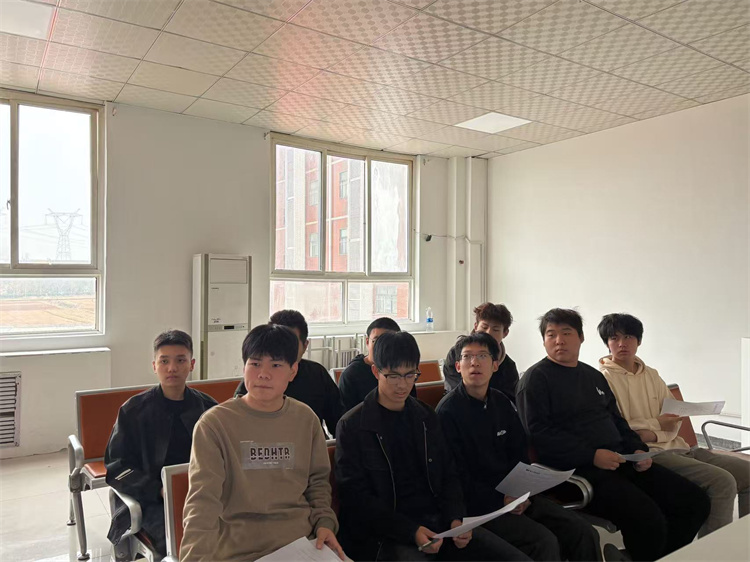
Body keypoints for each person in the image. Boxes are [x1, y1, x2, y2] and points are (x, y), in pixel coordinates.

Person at [516, 308, 710, 562]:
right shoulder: (536, 380)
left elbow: (617, 421)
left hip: (621, 460)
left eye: (566, 333)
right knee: (648, 517)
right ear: (543, 341)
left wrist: (638, 448)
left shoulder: (592, 376)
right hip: (576, 472)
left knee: (694, 501)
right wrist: (592, 455)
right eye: (551, 335)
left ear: (581, 338)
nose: (559, 340)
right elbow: (540, 435)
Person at [335, 330, 527, 561]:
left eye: (410, 375)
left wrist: (456, 518)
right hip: (386, 534)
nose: (402, 385)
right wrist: (411, 531)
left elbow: (448, 475)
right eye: (393, 376)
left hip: (438, 524)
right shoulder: (353, 426)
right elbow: (357, 498)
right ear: (376, 372)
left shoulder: (425, 416)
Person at [181, 323, 344, 561]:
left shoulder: (305, 418)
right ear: (244, 367)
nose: (263, 374)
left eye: (276, 365)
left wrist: (324, 523)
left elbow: (317, 483)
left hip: (302, 545)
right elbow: (202, 501)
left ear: (293, 371)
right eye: (255, 364)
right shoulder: (214, 424)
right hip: (238, 551)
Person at [437, 332, 601, 561]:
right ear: (457, 366)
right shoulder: (447, 412)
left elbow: (519, 453)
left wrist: (521, 493)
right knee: (543, 542)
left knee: (583, 531)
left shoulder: (501, 402)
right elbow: (454, 476)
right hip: (479, 506)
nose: (474, 362)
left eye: (482, 356)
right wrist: (501, 500)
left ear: (495, 365)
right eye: (467, 357)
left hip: (515, 496)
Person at [597, 312, 749, 536]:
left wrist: (653, 432)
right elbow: (619, 428)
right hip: (650, 454)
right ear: (607, 343)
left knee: (747, 473)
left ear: (638, 341)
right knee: (722, 481)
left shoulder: (651, 374)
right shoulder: (602, 380)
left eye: (628, 337)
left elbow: (673, 419)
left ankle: (742, 542)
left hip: (680, 447)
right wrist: (655, 428)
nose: (621, 344)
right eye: (614, 338)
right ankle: (712, 551)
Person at [104, 330, 217, 556]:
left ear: (192, 364)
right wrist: (158, 490)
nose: (172, 368)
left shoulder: (209, 409)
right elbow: (117, 467)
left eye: (180, 360)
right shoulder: (133, 411)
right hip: (151, 501)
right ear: (154, 366)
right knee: (179, 542)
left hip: (203, 495)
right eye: (164, 361)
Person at [235, 309, 344, 437]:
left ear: (305, 346)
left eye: (291, 344)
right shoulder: (255, 384)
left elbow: (338, 423)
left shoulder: (317, 374)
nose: (283, 350)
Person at [443, 302, 518, 402]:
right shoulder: (456, 354)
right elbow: (455, 391)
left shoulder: (508, 366)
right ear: (476, 326)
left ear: (505, 333)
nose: (488, 333)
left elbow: (510, 401)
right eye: (484, 327)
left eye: (495, 329)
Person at [338, 317, 415, 411]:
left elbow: (411, 406)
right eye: (377, 341)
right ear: (367, 342)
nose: (382, 348)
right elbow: (346, 413)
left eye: (389, 343)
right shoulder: (351, 374)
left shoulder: (404, 372)